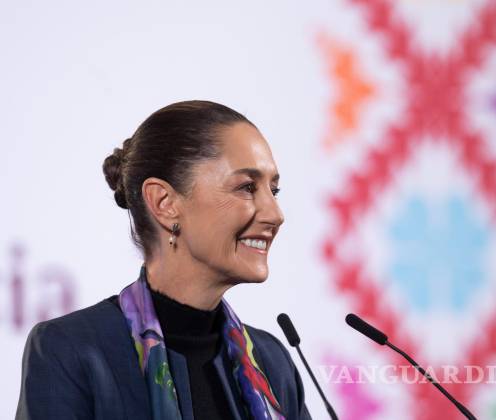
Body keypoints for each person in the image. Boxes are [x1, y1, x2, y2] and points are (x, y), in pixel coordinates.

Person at [16, 100, 312, 420]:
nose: (275, 214)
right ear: (164, 202)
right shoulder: (72, 350)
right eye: (247, 187)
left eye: (274, 190)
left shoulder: (272, 362)